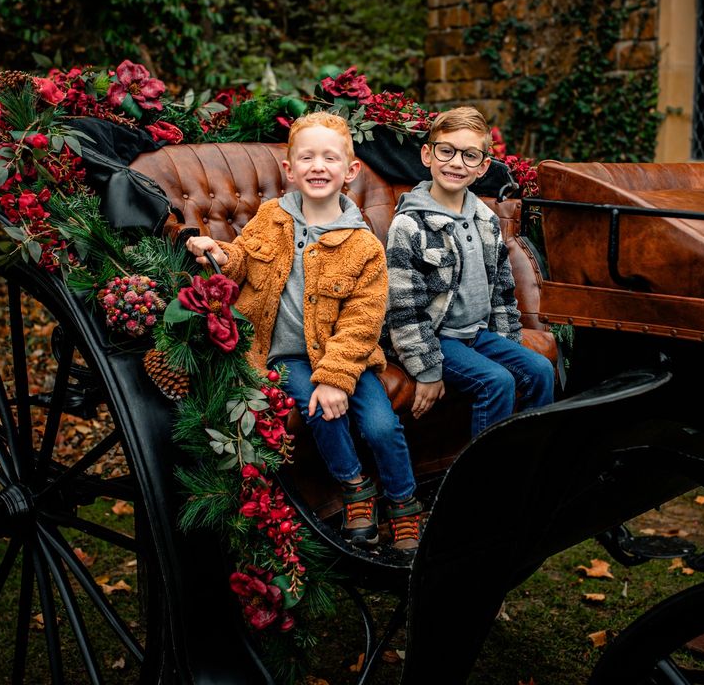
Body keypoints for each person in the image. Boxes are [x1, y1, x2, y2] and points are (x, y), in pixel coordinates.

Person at [186, 112, 422, 552]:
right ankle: (355, 490)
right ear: (290, 170)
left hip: (344, 358)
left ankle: (404, 504)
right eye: (307, 157)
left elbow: (362, 321)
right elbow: (244, 261)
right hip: (285, 355)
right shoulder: (271, 216)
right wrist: (217, 250)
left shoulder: (363, 245)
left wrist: (335, 377)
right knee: (322, 410)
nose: (318, 166)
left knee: (380, 426)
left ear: (349, 170)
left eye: (330, 157)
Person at [386, 106, 555, 436]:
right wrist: (427, 370)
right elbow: (404, 309)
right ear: (427, 154)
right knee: (497, 381)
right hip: (439, 337)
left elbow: (502, 290)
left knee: (539, 369)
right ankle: (481, 482)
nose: (456, 162)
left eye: (470, 155)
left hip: (478, 334)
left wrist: (508, 345)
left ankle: (530, 461)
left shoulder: (486, 219)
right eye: (446, 151)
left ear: (483, 167)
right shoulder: (410, 224)